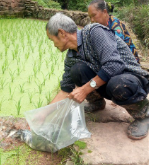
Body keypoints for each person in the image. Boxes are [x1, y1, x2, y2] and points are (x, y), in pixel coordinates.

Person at [45, 12, 149, 140]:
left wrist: (84, 90)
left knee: (117, 84)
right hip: (109, 82)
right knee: (77, 70)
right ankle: (97, 103)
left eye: (52, 39)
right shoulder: (72, 56)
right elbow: (65, 89)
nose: (53, 44)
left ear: (61, 33)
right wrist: (43, 115)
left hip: (131, 79)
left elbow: (114, 65)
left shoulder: (94, 32)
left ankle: (144, 114)